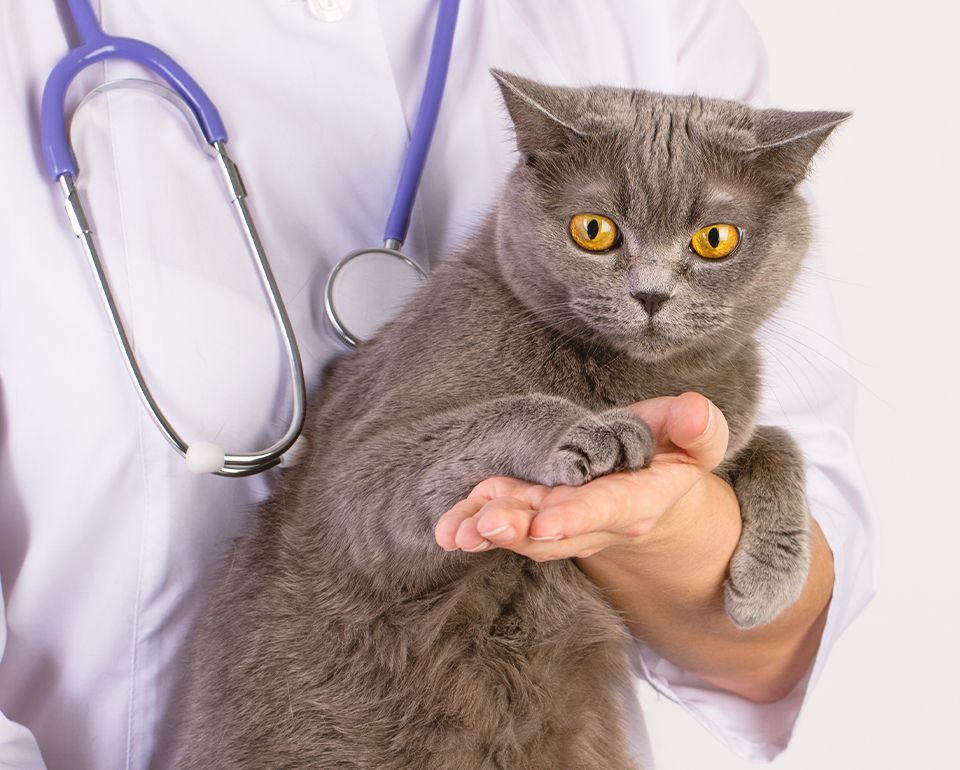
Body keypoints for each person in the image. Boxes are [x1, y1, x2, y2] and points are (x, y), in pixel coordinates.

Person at [0, 1, 877, 767]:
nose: (653, 288)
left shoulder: (654, 19)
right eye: (598, 232)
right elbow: (364, 508)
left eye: (712, 246)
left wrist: (694, 508)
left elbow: (771, 639)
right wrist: (530, 437)